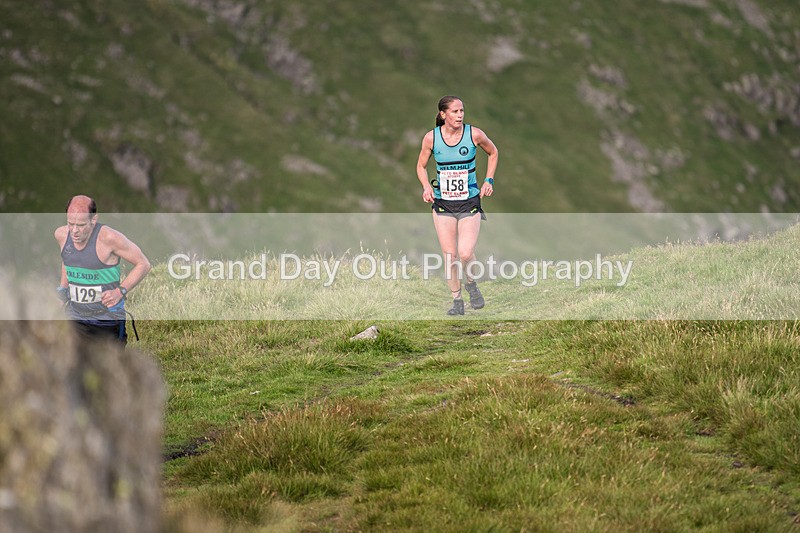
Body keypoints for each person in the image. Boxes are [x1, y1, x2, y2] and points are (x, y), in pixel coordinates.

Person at [416, 95, 499, 315]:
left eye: (462, 111)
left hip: (469, 202)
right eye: (455, 111)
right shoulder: (431, 138)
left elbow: (493, 152)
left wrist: (488, 180)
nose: (460, 115)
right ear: (443, 114)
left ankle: (471, 284)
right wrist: (426, 187)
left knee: (465, 253)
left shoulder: (474, 134)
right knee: (450, 255)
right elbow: (421, 166)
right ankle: (457, 301)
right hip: (443, 203)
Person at [54, 195, 151, 344]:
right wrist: (62, 290)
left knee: (109, 360)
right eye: (70, 223)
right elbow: (68, 260)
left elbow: (143, 264)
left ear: (93, 219)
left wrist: (119, 292)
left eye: (81, 225)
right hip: (75, 317)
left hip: (107, 319)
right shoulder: (61, 235)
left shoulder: (110, 238)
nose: (74, 231)